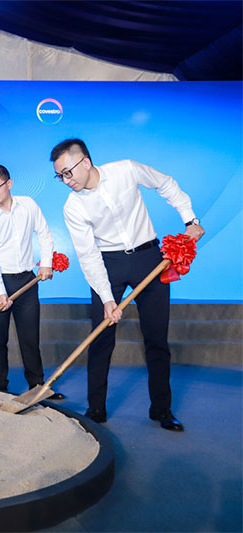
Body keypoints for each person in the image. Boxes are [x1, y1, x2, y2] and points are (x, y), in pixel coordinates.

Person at [51, 138, 204, 430]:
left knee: (156, 338)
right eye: (60, 176)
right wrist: (107, 298)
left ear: (85, 162)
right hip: (109, 265)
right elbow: (88, 255)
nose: (66, 180)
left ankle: (161, 409)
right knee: (101, 337)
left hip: (149, 258)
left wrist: (190, 220)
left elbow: (166, 183)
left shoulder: (126, 170)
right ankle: (96, 408)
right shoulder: (73, 207)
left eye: (68, 172)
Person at [0, 164, 63, 397]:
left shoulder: (28, 205)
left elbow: (44, 233)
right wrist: (1, 292)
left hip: (26, 281)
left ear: (9, 184)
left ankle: (37, 386)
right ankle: (0, 388)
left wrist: (46, 263)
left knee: (30, 337)